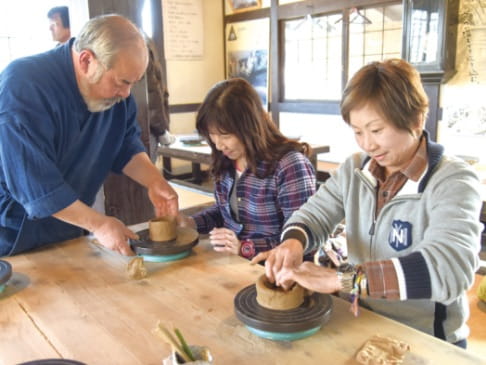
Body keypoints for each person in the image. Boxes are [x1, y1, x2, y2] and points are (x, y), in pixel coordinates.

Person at [252, 59, 482, 347]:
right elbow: (315, 214)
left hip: (426, 339)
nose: (367, 145)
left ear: (416, 120)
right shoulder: (355, 170)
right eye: (358, 131)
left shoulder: (452, 181)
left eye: (376, 130)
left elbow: (450, 269)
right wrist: (293, 243)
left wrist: (344, 280)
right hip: (364, 322)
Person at [0, 14, 178, 257]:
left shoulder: (116, 94)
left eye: (132, 84)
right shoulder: (23, 86)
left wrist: (154, 181)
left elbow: (125, 144)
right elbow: (36, 185)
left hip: (70, 224)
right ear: (86, 60)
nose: (126, 94)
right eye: (122, 82)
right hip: (13, 234)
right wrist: (100, 223)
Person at [178, 78, 316, 259]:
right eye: (212, 135)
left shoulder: (289, 165)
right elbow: (225, 213)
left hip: (276, 274)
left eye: (225, 135)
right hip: (233, 265)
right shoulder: (226, 161)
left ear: (249, 127)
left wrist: (245, 247)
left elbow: (302, 240)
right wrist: (191, 223)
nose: (219, 145)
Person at [143, 33, 176, 162]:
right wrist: (162, 130)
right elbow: (152, 94)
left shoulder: (140, 43)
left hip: (145, 125)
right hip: (147, 128)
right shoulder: (145, 44)